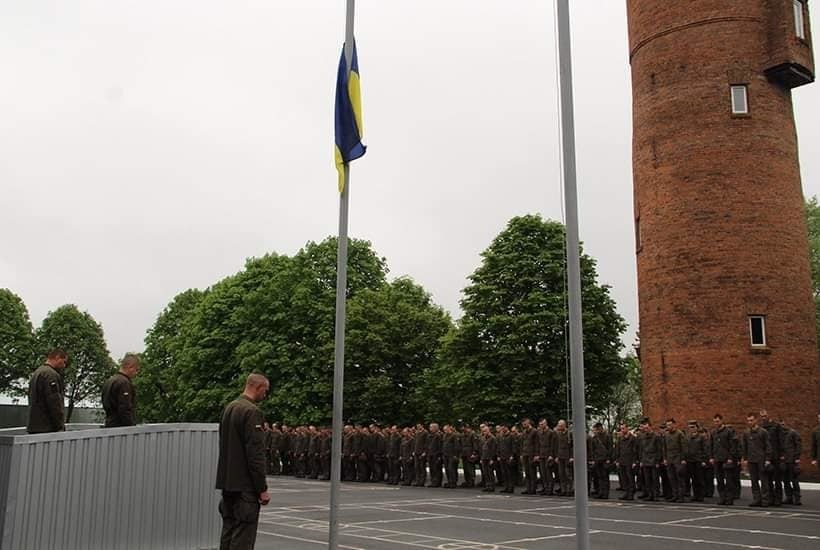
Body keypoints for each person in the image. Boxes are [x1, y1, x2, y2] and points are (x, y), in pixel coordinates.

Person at [215, 373, 271, 550]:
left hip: (228, 484)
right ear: (258, 387)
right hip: (245, 488)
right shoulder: (251, 411)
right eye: (265, 390)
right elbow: (255, 455)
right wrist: (262, 488)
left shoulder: (229, 408)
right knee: (242, 538)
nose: (265, 395)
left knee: (228, 533)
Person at [27, 349, 68, 434]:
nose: (64, 365)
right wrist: (60, 425)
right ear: (57, 358)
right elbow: (54, 402)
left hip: (34, 425)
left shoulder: (37, 372)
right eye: (63, 362)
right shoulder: (50, 375)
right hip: (47, 428)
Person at [742, 411, 772, 507]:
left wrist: (767, 459)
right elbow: (745, 446)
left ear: (756, 420)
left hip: (761, 460)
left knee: (764, 481)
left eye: (751, 420)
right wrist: (745, 459)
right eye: (748, 420)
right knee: (754, 481)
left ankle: (765, 500)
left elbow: (768, 446)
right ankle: (756, 499)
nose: (749, 422)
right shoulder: (746, 433)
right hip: (751, 460)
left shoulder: (763, 432)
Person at [101, 353, 140, 427]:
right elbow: (124, 408)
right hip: (121, 428)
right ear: (130, 367)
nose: (136, 373)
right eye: (136, 370)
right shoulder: (124, 383)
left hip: (109, 424)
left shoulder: (109, 381)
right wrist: (131, 427)